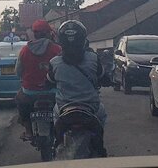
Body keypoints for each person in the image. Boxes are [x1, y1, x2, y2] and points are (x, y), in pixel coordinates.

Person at [47, 20, 110, 156]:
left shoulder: (54, 62)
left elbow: (49, 81)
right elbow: (103, 77)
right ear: (83, 39)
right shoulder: (93, 58)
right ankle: (100, 148)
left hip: (64, 108)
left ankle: (57, 145)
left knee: (54, 115)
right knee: (102, 115)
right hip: (91, 108)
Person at [15, 19, 61, 140]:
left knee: (20, 101)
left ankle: (29, 131)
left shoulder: (24, 50)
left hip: (30, 92)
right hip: (53, 92)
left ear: (34, 34)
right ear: (48, 33)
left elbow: (18, 71)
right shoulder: (57, 49)